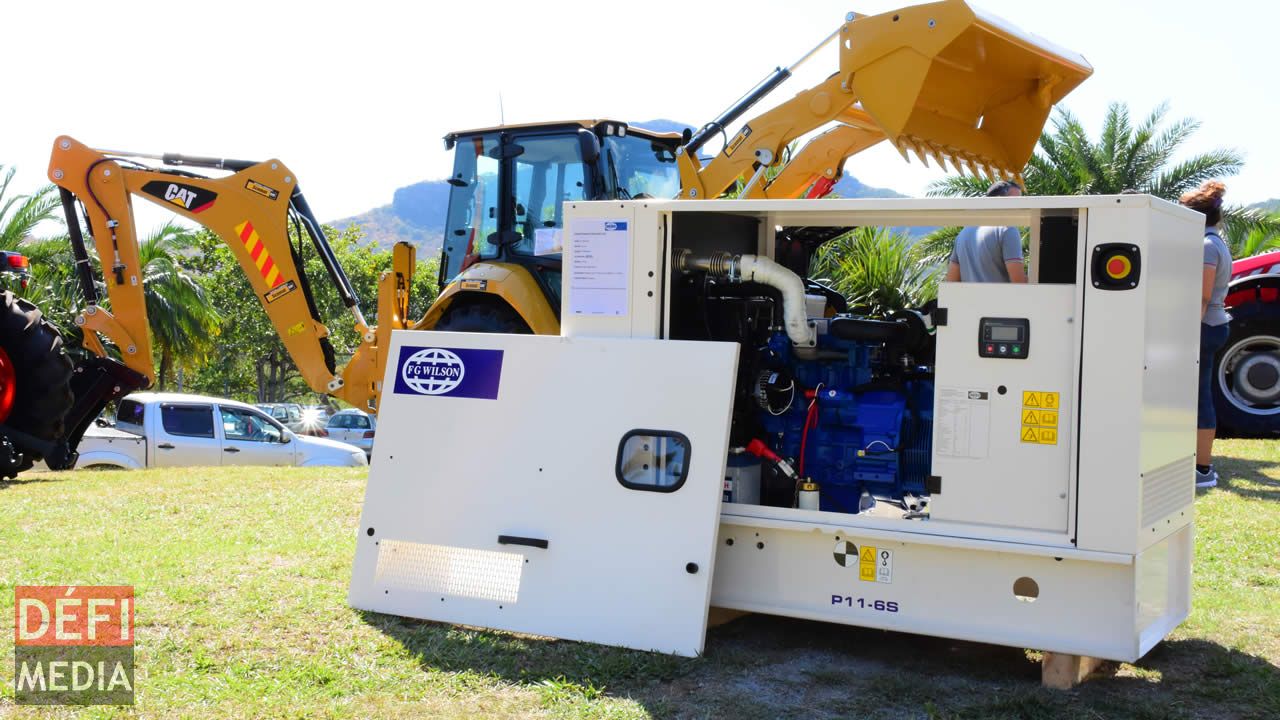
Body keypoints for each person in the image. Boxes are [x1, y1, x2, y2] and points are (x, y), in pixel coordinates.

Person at [1181, 181, 1233, 489]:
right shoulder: (1215, 242)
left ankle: (1202, 470)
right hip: (1212, 324)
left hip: (1205, 326)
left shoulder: (1206, 247)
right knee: (1199, 395)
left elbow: (1202, 296)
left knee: (1200, 398)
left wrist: (1188, 333)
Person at [945, 180, 1027, 283]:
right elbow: (1018, 282)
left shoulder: (964, 233)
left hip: (969, 299)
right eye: (1016, 202)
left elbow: (951, 280)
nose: (1020, 208)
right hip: (999, 299)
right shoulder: (1008, 230)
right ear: (999, 200)